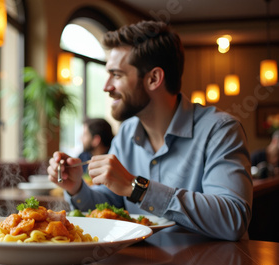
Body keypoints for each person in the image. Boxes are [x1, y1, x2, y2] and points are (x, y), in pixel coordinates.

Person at [48, 21, 253, 241]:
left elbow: (233, 219)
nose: (106, 86)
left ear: (154, 79)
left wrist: (136, 188)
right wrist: (76, 187)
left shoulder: (220, 130)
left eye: (116, 75)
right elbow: (113, 205)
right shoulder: (126, 133)